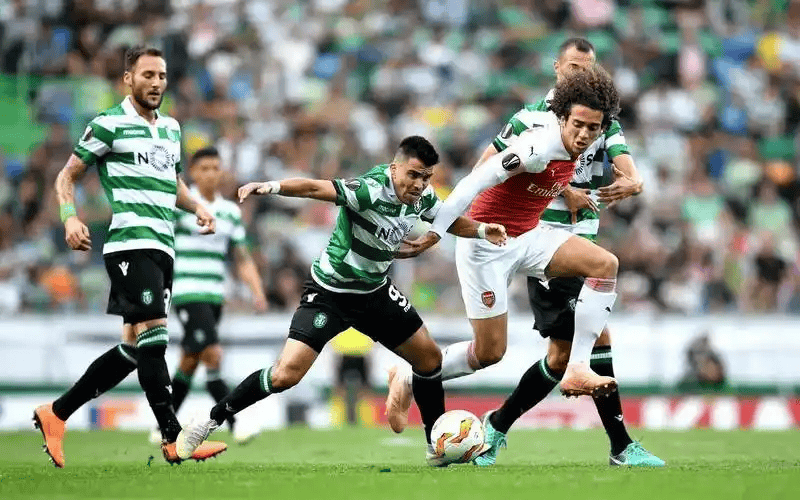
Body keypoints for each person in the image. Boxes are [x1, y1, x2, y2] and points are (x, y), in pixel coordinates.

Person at [174, 136, 506, 465]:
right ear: (395, 168)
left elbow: (446, 219)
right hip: (330, 293)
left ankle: (436, 445)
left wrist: (481, 231)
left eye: (426, 177)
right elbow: (313, 188)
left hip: (374, 293)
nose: (419, 184)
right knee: (284, 375)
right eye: (414, 175)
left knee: (430, 360)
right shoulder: (368, 190)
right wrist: (271, 186)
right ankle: (209, 421)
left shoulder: (423, 197)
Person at [387, 65, 630, 460]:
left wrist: (572, 190)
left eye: (593, 128)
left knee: (605, 265)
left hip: (528, 236)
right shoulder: (537, 146)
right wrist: (436, 232)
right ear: (562, 118)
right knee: (489, 353)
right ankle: (408, 374)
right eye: (578, 125)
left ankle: (577, 367)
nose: (585, 134)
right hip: (486, 244)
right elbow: (474, 181)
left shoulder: (576, 146)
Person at [473, 39, 664, 467]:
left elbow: (626, 164)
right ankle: (621, 446)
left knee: (561, 358)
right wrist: (565, 189)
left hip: (583, 241)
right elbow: (489, 169)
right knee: (598, 338)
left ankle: (497, 425)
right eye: (574, 67)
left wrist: (632, 182)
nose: (581, 75)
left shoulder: (601, 119)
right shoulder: (531, 118)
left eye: (588, 68)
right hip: (544, 240)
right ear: (556, 67)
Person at [33, 46, 226, 468]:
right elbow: (66, 176)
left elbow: (173, 183)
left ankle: (56, 413)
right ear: (128, 79)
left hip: (163, 248)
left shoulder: (171, 128)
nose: (156, 83)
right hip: (130, 245)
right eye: (147, 75)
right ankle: (173, 439)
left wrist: (198, 207)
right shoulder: (108, 124)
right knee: (156, 338)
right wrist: (70, 218)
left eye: (162, 76)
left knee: (135, 349)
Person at [148, 146, 267, 445]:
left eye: (216, 168)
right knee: (213, 355)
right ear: (192, 173)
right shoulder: (181, 207)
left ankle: (163, 425)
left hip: (215, 296)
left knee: (190, 361)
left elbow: (242, 258)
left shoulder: (230, 212)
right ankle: (235, 422)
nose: (211, 174)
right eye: (204, 168)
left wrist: (257, 291)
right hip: (187, 293)